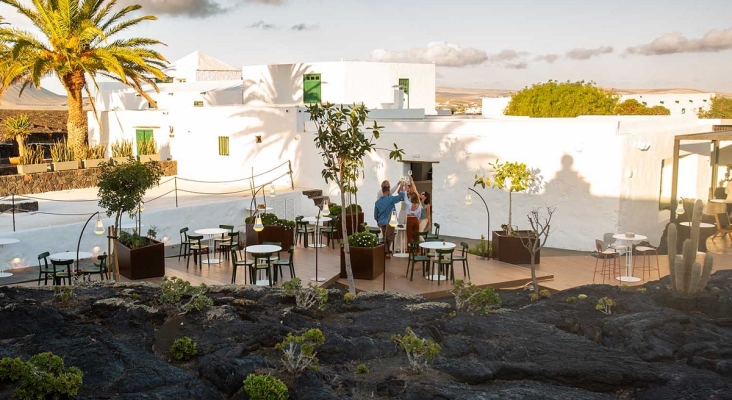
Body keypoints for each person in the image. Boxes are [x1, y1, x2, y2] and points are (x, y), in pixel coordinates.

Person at [374, 180, 405, 258]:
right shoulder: (391, 199)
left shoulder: (377, 202)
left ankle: (386, 251)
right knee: (390, 237)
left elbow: (375, 214)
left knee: (385, 235)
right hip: (391, 221)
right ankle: (387, 252)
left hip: (382, 221)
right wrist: (401, 188)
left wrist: (377, 221)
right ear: (388, 191)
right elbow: (401, 196)